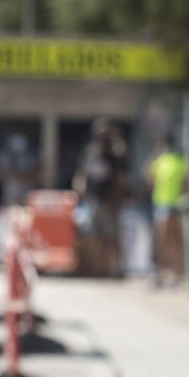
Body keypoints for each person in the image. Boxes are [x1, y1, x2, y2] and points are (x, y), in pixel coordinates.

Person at [73, 118, 128, 278]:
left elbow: (118, 179)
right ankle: (98, 269)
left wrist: (115, 200)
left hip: (109, 201)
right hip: (92, 200)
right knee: (94, 237)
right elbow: (81, 174)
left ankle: (117, 269)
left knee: (112, 236)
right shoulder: (90, 153)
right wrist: (79, 187)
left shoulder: (114, 154)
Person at [145, 134, 189, 287]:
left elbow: (149, 180)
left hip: (168, 205)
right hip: (167, 204)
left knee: (166, 241)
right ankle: (168, 273)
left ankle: (171, 273)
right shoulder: (176, 161)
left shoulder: (164, 162)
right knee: (169, 241)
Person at [0, 132, 39, 208]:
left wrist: (18, 175)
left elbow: (35, 173)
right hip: (10, 196)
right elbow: (6, 173)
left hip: (27, 196)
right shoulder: (5, 154)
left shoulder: (30, 155)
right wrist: (24, 176)